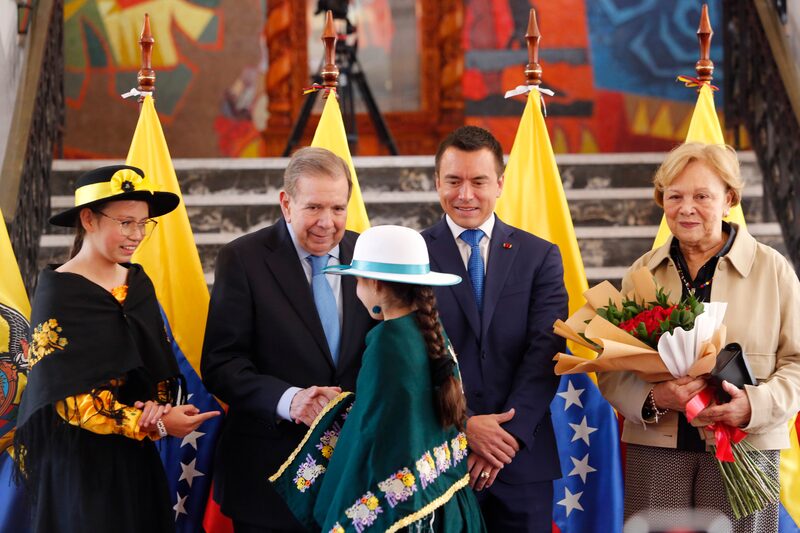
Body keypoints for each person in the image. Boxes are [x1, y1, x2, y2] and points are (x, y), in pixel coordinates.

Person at [597, 142, 800, 531]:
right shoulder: (642, 273)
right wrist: (654, 398)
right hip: (657, 449)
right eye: (674, 196)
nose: (686, 207)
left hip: (745, 447)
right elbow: (612, 365)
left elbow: (797, 362)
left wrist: (753, 406)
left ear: (729, 199)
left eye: (702, 196)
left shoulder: (772, 270)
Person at [13, 165, 220, 533]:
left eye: (143, 224)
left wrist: (157, 410)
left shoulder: (138, 282)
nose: (137, 235)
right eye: (126, 223)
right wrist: (151, 422)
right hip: (79, 466)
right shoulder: (59, 292)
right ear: (88, 218)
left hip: (135, 459)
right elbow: (69, 401)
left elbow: (156, 366)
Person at [201, 147, 376, 532]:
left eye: (337, 208)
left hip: (354, 477)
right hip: (269, 479)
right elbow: (221, 364)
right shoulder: (242, 259)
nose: (327, 223)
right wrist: (290, 399)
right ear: (286, 203)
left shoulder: (369, 257)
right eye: (314, 208)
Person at [270, 224, 486, 532]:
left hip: (405, 516)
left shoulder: (387, 340)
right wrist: (348, 405)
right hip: (441, 500)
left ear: (375, 285)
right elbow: (401, 411)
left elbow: (371, 435)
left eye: (357, 280)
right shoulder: (429, 328)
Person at [421, 125, 568, 532]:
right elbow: (411, 356)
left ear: (500, 184)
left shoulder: (540, 256)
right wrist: (465, 426)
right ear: (437, 183)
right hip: (437, 459)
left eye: (478, 181)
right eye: (453, 181)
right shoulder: (413, 257)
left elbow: (547, 353)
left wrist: (503, 441)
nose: (465, 194)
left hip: (520, 461)